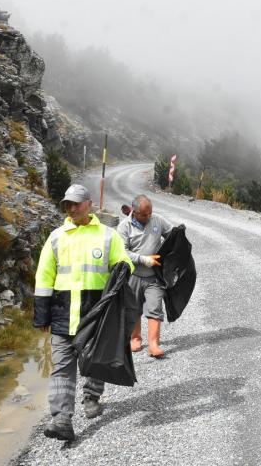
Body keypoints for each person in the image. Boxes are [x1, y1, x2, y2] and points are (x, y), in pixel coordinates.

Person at [33, 184, 135, 441]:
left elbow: (125, 263)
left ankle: (91, 398)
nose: (72, 208)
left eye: (77, 203)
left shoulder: (108, 236)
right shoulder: (56, 237)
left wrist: (124, 268)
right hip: (62, 313)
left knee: (93, 359)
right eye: (68, 203)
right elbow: (44, 277)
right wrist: (42, 315)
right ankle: (61, 419)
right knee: (62, 367)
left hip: (94, 312)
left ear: (89, 204)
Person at [117, 194, 174, 358]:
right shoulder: (124, 227)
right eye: (144, 214)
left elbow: (171, 236)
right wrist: (143, 259)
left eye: (150, 213)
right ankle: (135, 338)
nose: (148, 217)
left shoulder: (157, 220)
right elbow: (122, 252)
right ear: (134, 212)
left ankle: (154, 344)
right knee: (133, 308)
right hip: (133, 275)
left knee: (155, 307)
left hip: (154, 276)